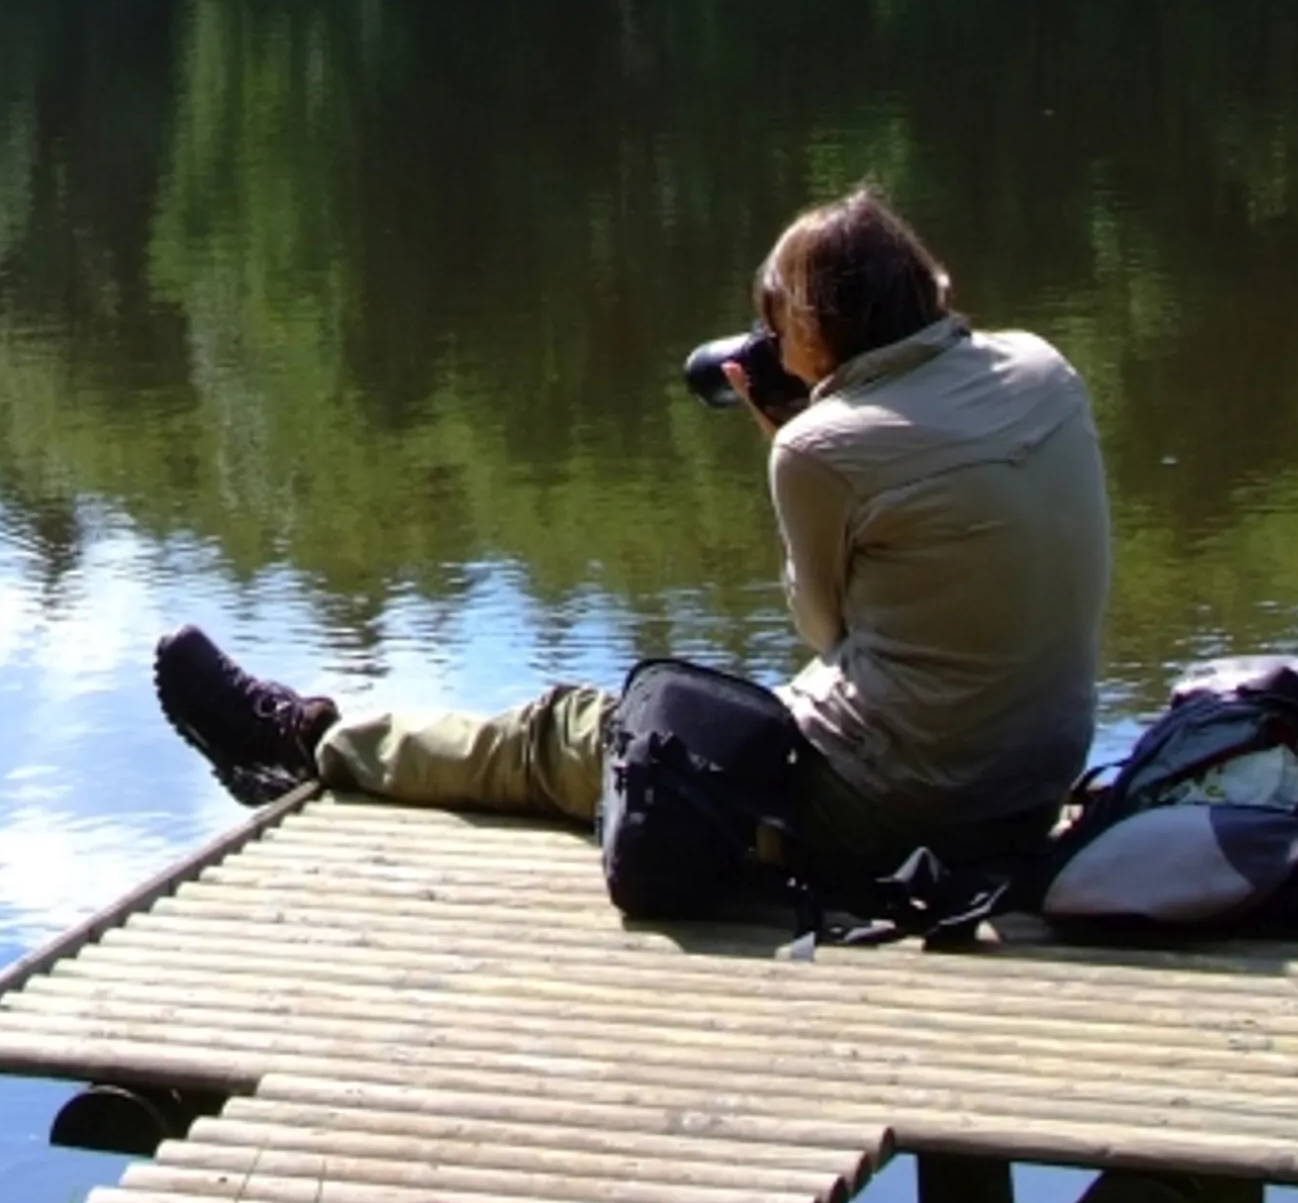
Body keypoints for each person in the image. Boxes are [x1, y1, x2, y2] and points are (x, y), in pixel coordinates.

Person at [153, 184, 1112, 879]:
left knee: (572, 732)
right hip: (1032, 787)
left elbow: (827, 633)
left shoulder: (820, 448)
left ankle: (309, 740)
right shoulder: (1041, 365)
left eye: (777, 323)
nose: (769, 343)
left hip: (894, 814)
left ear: (818, 333)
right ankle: (320, 736)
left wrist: (786, 437)